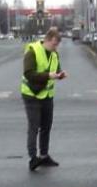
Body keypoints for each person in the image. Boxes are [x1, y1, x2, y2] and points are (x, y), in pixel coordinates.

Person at [21, 27, 66, 171]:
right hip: (32, 94)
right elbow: (28, 73)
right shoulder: (32, 51)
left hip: (47, 95)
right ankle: (33, 158)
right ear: (47, 40)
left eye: (57, 45)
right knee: (34, 127)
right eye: (54, 44)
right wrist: (48, 76)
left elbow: (56, 70)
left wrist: (60, 75)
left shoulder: (54, 54)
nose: (55, 47)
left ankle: (44, 155)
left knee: (46, 127)